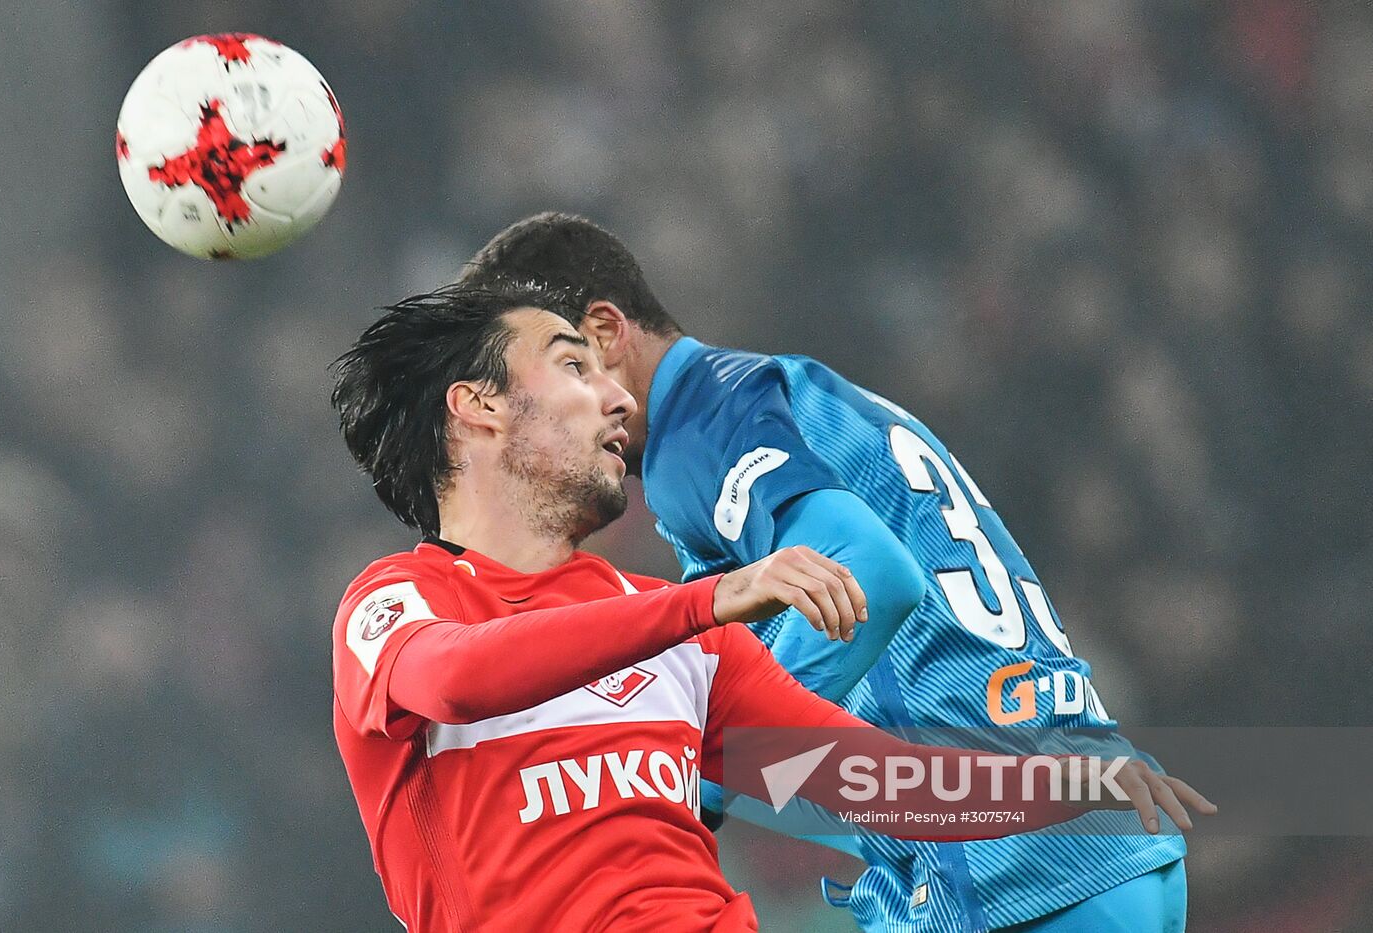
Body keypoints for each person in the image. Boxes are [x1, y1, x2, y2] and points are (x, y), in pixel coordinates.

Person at [328, 283, 1210, 933]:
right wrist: (707, 601)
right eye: (572, 367)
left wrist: (1066, 784)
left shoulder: (678, 630)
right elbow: (459, 680)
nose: (620, 397)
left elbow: (878, 787)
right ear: (477, 409)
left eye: (609, 372)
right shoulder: (398, 603)